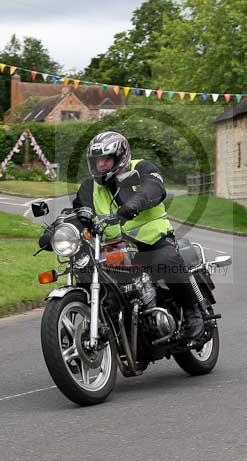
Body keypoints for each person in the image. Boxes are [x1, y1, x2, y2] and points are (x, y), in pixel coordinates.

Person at [72, 131, 204, 338]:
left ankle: (191, 311)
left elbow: (154, 188)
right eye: (97, 161)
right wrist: (58, 231)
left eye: (106, 160)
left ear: (121, 157)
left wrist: (134, 203)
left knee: (166, 260)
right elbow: (78, 212)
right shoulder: (90, 186)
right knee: (88, 271)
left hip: (151, 240)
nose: (101, 166)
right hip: (113, 246)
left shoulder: (142, 168)